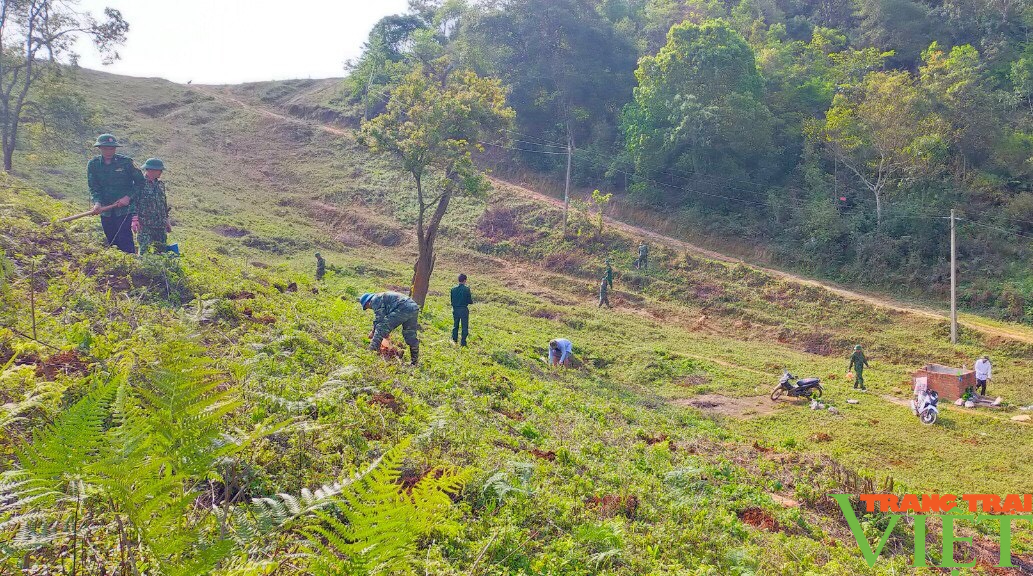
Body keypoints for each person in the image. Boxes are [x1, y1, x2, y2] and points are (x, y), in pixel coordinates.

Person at [87, 134, 145, 254]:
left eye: (111, 148)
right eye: (106, 148)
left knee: (124, 238)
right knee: (111, 240)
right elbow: (94, 187)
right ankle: (117, 267)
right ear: (100, 148)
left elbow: (141, 183)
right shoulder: (93, 164)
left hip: (125, 209)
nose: (109, 151)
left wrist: (128, 197)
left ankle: (130, 265)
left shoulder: (126, 162)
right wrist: (97, 202)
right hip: (106, 210)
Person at [360, 291, 421, 365]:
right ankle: (414, 362)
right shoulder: (381, 297)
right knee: (410, 335)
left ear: (367, 303)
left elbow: (380, 319)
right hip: (413, 307)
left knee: (380, 327)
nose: (370, 308)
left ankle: (371, 353)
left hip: (403, 307)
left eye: (367, 307)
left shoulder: (374, 300)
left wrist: (373, 332)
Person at [133, 158, 172, 254]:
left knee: (161, 252)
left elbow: (163, 204)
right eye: (159, 170)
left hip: (160, 225)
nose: (161, 172)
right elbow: (133, 202)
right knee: (144, 252)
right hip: (145, 225)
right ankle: (142, 269)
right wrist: (134, 219)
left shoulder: (160, 184)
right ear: (151, 170)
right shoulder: (139, 184)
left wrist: (167, 221)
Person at [450, 273, 473, 346]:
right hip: (463, 309)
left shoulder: (453, 289)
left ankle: (454, 339)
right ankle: (463, 342)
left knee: (455, 325)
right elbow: (469, 301)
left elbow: (452, 300)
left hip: (455, 309)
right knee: (464, 326)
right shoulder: (466, 289)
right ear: (465, 280)